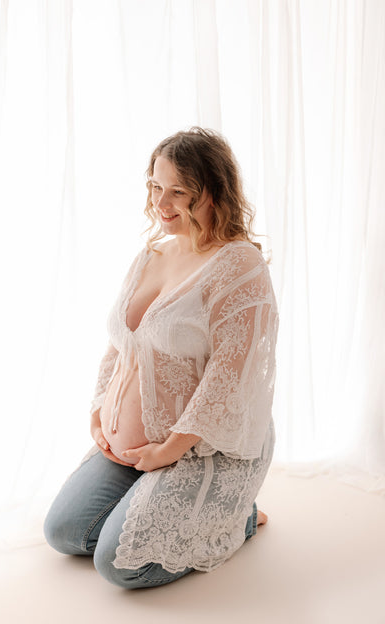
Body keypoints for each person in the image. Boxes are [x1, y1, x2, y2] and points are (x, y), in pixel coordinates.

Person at [43, 126, 279, 589]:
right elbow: (121, 342)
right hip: (135, 449)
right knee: (65, 532)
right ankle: (157, 498)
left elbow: (227, 377)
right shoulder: (152, 254)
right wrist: (98, 413)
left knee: (118, 565)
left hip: (201, 446)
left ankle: (237, 519)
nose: (161, 203)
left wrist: (169, 450)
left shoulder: (237, 265)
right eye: (155, 186)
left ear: (214, 192)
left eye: (178, 192)